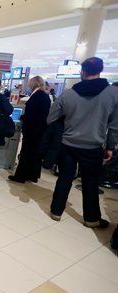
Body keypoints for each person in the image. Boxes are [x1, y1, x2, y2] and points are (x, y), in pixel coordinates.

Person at [46, 57, 118, 228]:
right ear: (100, 70)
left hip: (68, 144)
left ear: (83, 72)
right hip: (93, 146)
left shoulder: (68, 93)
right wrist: (110, 147)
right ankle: (91, 219)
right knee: (90, 182)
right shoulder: (113, 94)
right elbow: (115, 126)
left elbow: (50, 118)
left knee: (64, 178)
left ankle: (56, 211)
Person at [9, 76, 51, 183]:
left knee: (26, 152)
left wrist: (22, 117)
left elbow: (32, 115)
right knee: (35, 153)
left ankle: (20, 176)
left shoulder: (36, 96)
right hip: (40, 130)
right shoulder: (45, 96)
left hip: (32, 130)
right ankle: (32, 175)